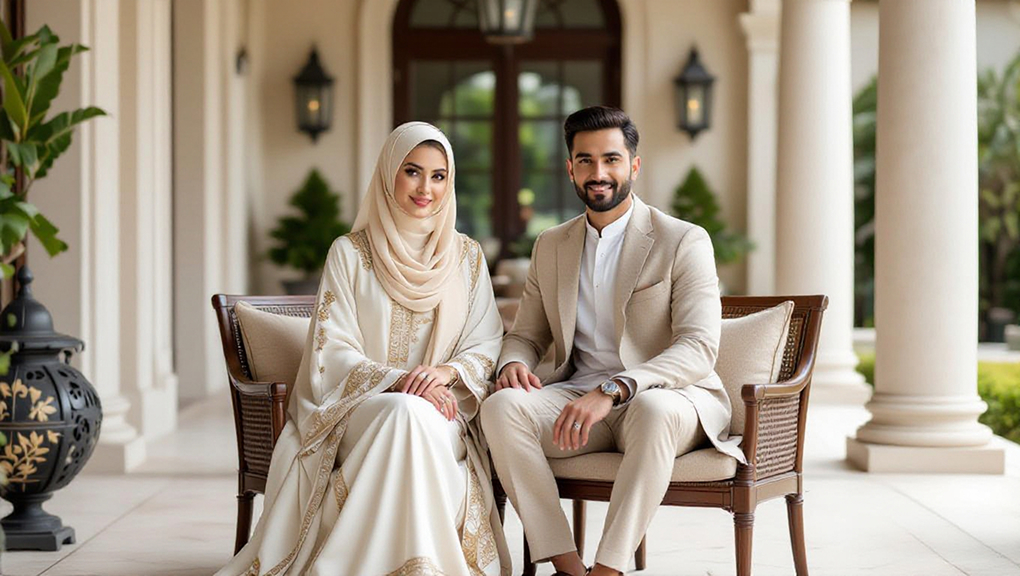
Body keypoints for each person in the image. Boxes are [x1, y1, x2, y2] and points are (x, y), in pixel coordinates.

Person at [217, 122, 510, 576]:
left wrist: (446, 374)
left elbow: (486, 341)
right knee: (403, 413)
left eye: (438, 176)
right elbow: (330, 351)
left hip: (444, 411)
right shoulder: (350, 253)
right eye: (412, 171)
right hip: (358, 411)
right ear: (388, 172)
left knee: (412, 417)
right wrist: (400, 382)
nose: (425, 188)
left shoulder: (467, 257)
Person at [480, 106, 743, 576]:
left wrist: (615, 388)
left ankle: (608, 569)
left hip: (667, 399)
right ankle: (566, 565)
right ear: (570, 168)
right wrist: (512, 364)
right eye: (585, 161)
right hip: (578, 398)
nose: (598, 173)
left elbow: (699, 347)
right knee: (499, 407)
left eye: (611, 160)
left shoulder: (683, 240)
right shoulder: (550, 244)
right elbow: (526, 334)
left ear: (634, 165)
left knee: (655, 410)